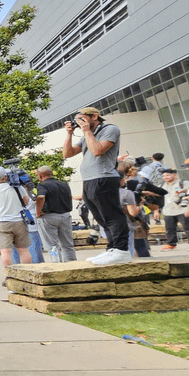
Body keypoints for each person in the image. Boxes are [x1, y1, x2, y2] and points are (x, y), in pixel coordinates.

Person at [62, 106, 128, 265]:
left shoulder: (110, 129)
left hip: (104, 178)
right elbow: (67, 153)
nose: (80, 122)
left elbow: (97, 150)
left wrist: (87, 131)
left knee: (112, 215)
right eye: (78, 120)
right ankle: (112, 249)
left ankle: (122, 250)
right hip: (90, 180)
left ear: (95, 116)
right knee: (101, 217)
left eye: (83, 119)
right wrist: (70, 134)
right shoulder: (88, 135)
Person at [0, 166, 31, 268]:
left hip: (0, 223)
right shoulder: (18, 188)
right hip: (19, 221)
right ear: (5, 176)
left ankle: (9, 276)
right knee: (23, 250)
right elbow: (26, 202)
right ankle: (28, 274)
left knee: (5, 252)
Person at [33, 166, 76, 262]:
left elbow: (40, 197)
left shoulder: (42, 185)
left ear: (40, 175)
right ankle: (72, 264)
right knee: (68, 244)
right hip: (65, 215)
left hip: (49, 217)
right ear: (51, 173)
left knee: (52, 245)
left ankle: (57, 264)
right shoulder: (64, 184)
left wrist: (38, 212)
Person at [117, 161, 150, 258]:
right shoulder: (132, 186)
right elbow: (133, 212)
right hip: (132, 220)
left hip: (118, 223)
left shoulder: (106, 191)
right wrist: (141, 205)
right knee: (139, 244)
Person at [160, 169, 189, 251]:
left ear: (175, 175)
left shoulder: (183, 183)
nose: (165, 177)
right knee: (169, 229)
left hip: (182, 209)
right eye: (164, 176)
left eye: (167, 175)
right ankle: (171, 243)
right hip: (168, 210)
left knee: (187, 227)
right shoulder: (161, 186)